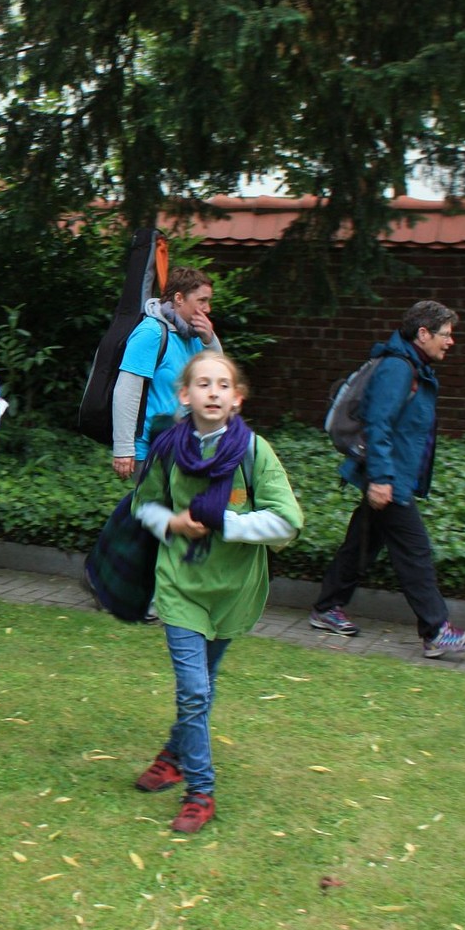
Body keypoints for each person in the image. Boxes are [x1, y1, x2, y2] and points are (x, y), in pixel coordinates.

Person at [130, 353, 303, 833]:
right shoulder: (168, 448)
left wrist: (225, 522)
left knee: (199, 689)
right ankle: (200, 792)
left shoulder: (254, 452)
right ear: (183, 395)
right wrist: (173, 522)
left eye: (222, 385)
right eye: (202, 383)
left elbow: (288, 523)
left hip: (233, 591)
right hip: (181, 585)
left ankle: (172, 753)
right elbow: (143, 505)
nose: (212, 392)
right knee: (195, 691)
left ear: (236, 399)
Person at [309, 301, 465, 659]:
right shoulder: (398, 369)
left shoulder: (413, 366)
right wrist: (382, 479)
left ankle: (327, 607)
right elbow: (379, 424)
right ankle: (436, 631)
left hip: (390, 474)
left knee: (363, 542)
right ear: (423, 334)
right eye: (445, 335)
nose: (450, 342)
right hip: (388, 478)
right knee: (414, 552)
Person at [111, 266, 223, 479]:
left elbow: (219, 377)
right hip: (151, 449)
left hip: (186, 446)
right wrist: (124, 449)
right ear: (179, 298)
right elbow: (126, 391)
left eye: (209, 301)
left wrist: (210, 340)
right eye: (202, 300)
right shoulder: (151, 333)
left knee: (177, 510)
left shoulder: (195, 336)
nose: (208, 308)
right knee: (158, 510)